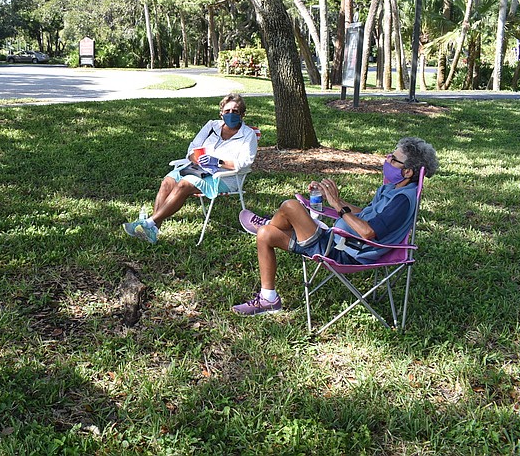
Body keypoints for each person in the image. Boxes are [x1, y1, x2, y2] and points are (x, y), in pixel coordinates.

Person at [233, 137, 438, 315]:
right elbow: (364, 215)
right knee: (265, 234)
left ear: (408, 171)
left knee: (290, 206)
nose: (387, 160)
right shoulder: (393, 188)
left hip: (345, 252)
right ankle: (269, 299)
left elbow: (368, 232)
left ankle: (271, 221)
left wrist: (338, 206)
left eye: (393, 160)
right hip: (338, 240)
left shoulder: (402, 200)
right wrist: (331, 197)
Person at [123, 93, 258, 244]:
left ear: (243, 114)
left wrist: (218, 162)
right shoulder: (211, 126)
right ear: (221, 113)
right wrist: (198, 160)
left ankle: (148, 223)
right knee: (167, 181)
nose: (231, 114)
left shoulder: (248, 135)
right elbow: (193, 148)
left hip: (224, 176)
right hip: (197, 168)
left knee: (184, 184)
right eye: (227, 111)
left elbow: (245, 162)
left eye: (236, 111)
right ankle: (154, 229)